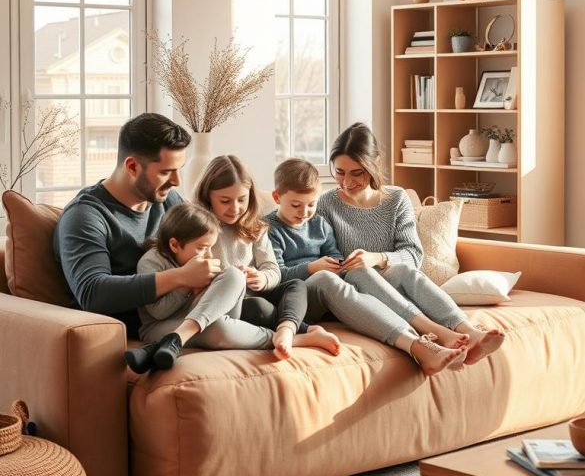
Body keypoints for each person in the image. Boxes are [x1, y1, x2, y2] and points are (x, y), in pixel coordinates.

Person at [316, 122, 505, 368]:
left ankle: (468, 331)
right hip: (355, 293)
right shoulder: (326, 203)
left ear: (373, 167)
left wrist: (378, 258)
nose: (346, 182)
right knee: (359, 271)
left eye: (357, 173)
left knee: (403, 269)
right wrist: (354, 264)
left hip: (396, 287)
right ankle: (442, 333)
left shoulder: (396, 198)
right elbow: (321, 254)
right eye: (339, 172)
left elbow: (413, 255)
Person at [265, 157, 469, 376]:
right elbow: (275, 275)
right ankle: (415, 346)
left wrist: (340, 263)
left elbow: (333, 254)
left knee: (359, 271)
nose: (304, 212)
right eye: (296, 205)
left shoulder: (319, 224)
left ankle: (426, 336)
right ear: (277, 197)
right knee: (326, 279)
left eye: (311, 205)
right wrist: (312, 268)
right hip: (299, 299)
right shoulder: (269, 228)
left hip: (330, 293)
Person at [53, 113, 220, 349]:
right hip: (141, 328)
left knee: (264, 307)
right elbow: (93, 292)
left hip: (186, 308)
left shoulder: (167, 199)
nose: (176, 181)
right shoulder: (85, 216)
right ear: (132, 166)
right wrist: (182, 277)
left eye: (179, 169)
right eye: (166, 172)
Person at [195, 155, 341, 359]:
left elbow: (273, 270)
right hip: (234, 301)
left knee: (296, 285)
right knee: (258, 308)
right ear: (207, 196)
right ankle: (306, 332)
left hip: (258, 291)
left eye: (242, 200)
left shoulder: (256, 227)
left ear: (250, 197)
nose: (235, 208)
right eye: (225, 201)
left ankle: (287, 330)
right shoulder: (199, 228)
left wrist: (261, 278)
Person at [130, 201, 279, 372]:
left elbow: (215, 298)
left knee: (234, 275)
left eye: (211, 247)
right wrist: (187, 284)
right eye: (202, 248)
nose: (208, 254)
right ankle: (280, 338)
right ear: (174, 245)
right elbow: (158, 312)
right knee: (218, 327)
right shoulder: (151, 262)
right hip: (160, 326)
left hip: (198, 318)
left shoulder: (198, 259)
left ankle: (176, 339)